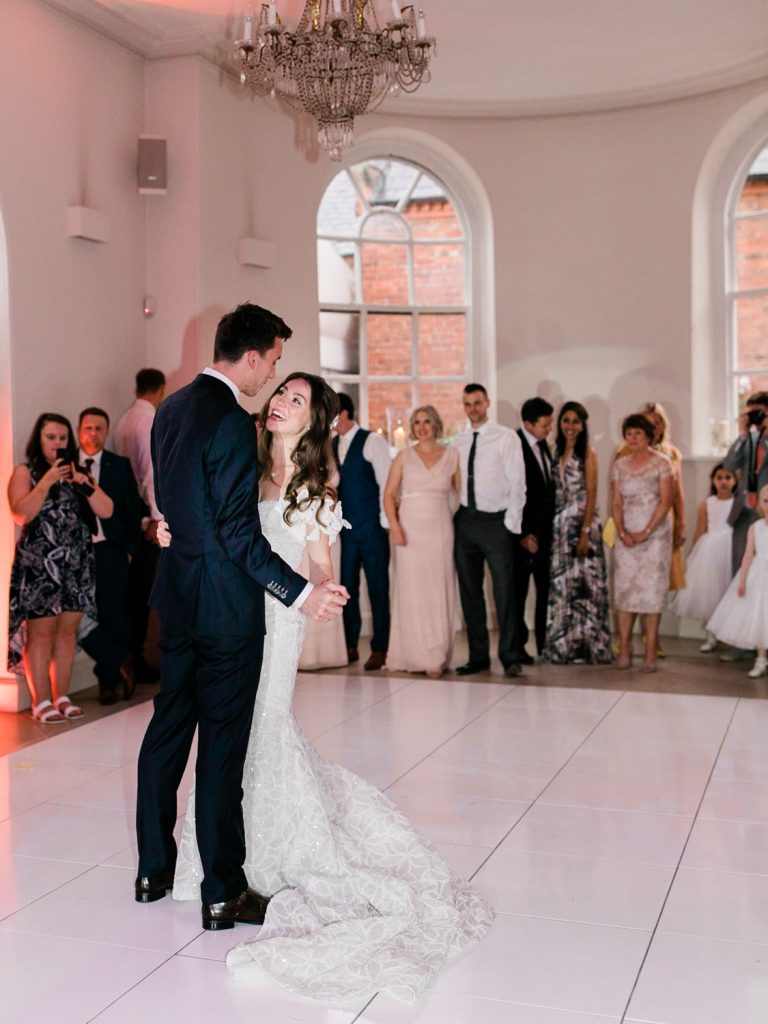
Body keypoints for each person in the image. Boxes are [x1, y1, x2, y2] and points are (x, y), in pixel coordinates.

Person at [171, 372, 492, 1003]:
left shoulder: (317, 487)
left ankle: (262, 857)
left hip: (279, 619)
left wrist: (322, 588)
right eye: (281, 394)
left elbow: (320, 559)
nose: (281, 403)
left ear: (315, 421)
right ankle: (224, 858)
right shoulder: (241, 463)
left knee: (262, 726)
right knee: (230, 736)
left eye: (296, 399)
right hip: (227, 617)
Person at [134, 303, 346, 931]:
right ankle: (223, 891)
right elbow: (236, 531)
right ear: (252, 357)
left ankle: (153, 870)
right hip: (228, 613)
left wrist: (159, 527)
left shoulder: (168, 409)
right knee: (223, 749)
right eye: (274, 361)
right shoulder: (230, 420)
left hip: (175, 602)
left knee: (167, 732)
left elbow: (176, 504)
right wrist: (300, 593)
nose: (272, 375)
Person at [8, 413, 113, 723]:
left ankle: (61, 696)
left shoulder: (78, 473)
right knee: (40, 633)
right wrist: (47, 482)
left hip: (76, 563)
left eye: (62, 438)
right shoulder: (25, 472)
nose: (57, 444)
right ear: (38, 440)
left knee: (67, 632)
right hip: (40, 565)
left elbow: (107, 509)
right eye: (50, 438)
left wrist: (85, 485)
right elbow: (21, 513)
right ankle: (41, 701)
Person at [452, 383, 526, 677]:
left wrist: (510, 524)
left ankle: (509, 655)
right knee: (470, 592)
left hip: (497, 522)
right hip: (466, 521)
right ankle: (478, 656)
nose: (472, 408)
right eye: (467, 404)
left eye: (477, 403)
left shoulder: (506, 438)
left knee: (504, 591)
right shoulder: (458, 440)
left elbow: (518, 483)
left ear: (488, 403)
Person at [384, 405, 460, 677]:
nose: (422, 426)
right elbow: (389, 495)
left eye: (427, 421)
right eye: (417, 422)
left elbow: (462, 497)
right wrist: (395, 526)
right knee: (412, 590)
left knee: (438, 589)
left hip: (440, 530)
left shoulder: (452, 456)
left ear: (436, 424)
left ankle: (437, 655)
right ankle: (413, 653)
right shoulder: (403, 457)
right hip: (409, 531)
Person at [75, 407, 143, 704]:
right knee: (79, 618)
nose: (93, 433)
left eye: (99, 428)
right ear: (80, 430)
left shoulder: (119, 465)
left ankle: (109, 682)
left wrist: (129, 550)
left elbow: (131, 510)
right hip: (76, 554)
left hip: (110, 550)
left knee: (113, 615)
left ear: (107, 430)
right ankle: (119, 660)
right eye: (88, 428)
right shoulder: (67, 467)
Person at [543, 401, 613, 664]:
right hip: (559, 527)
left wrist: (584, 531)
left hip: (582, 524)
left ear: (583, 425)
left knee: (586, 588)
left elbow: (592, 494)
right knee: (563, 587)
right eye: (566, 420)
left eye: (575, 421)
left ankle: (590, 647)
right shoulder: (554, 451)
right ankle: (563, 647)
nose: (570, 426)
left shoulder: (588, 453)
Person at [332, 392, 391, 670]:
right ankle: (350, 644)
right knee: (347, 588)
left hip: (372, 529)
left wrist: (383, 523)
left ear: (344, 414)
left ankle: (380, 647)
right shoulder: (330, 444)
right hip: (345, 534)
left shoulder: (372, 441)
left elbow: (386, 485)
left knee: (378, 588)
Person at [610, 413, 674, 672]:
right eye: (629, 433)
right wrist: (623, 531)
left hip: (655, 534)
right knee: (625, 591)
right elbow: (616, 501)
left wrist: (647, 530)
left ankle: (650, 652)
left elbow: (666, 500)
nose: (632, 438)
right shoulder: (619, 464)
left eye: (638, 433)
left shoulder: (663, 462)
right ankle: (624, 648)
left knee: (651, 591)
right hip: (626, 534)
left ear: (649, 435)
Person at [114, 367, 166, 684]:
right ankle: (138, 660)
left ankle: (133, 658)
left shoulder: (124, 421)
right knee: (143, 595)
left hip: (130, 515)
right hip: (146, 519)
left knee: (135, 595)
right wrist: (157, 518)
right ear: (159, 390)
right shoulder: (147, 420)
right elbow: (150, 473)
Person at [669, 463, 736, 652]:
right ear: (713, 481)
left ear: (735, 481)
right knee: (711, 594)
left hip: (731, 548)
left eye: (728, 478)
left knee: (728, 593)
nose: (723, 482)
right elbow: (700, 531)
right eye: (719, 478)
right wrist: (695, 555)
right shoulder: (707, 504)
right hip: (710, 552)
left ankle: (731, 637)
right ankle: (711, 636)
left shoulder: (738, 503)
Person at [707, 484, 768, 678]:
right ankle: (760, 659)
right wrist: (742, 581)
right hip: (758, 575)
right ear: (759, 503)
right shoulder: (756, 528)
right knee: (759, 618)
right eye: (766, 501)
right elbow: (748, 556)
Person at [514, 397, 555, 663]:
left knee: (545, 593)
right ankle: (517, 647)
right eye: (544, 424)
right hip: (522, 536)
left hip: (545, 535)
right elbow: (511, 492)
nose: (550, 428)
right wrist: (522, 535)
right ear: (527, 424)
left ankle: (544, 644)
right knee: (517, 594)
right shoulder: (513, 446)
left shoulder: (544, 447)